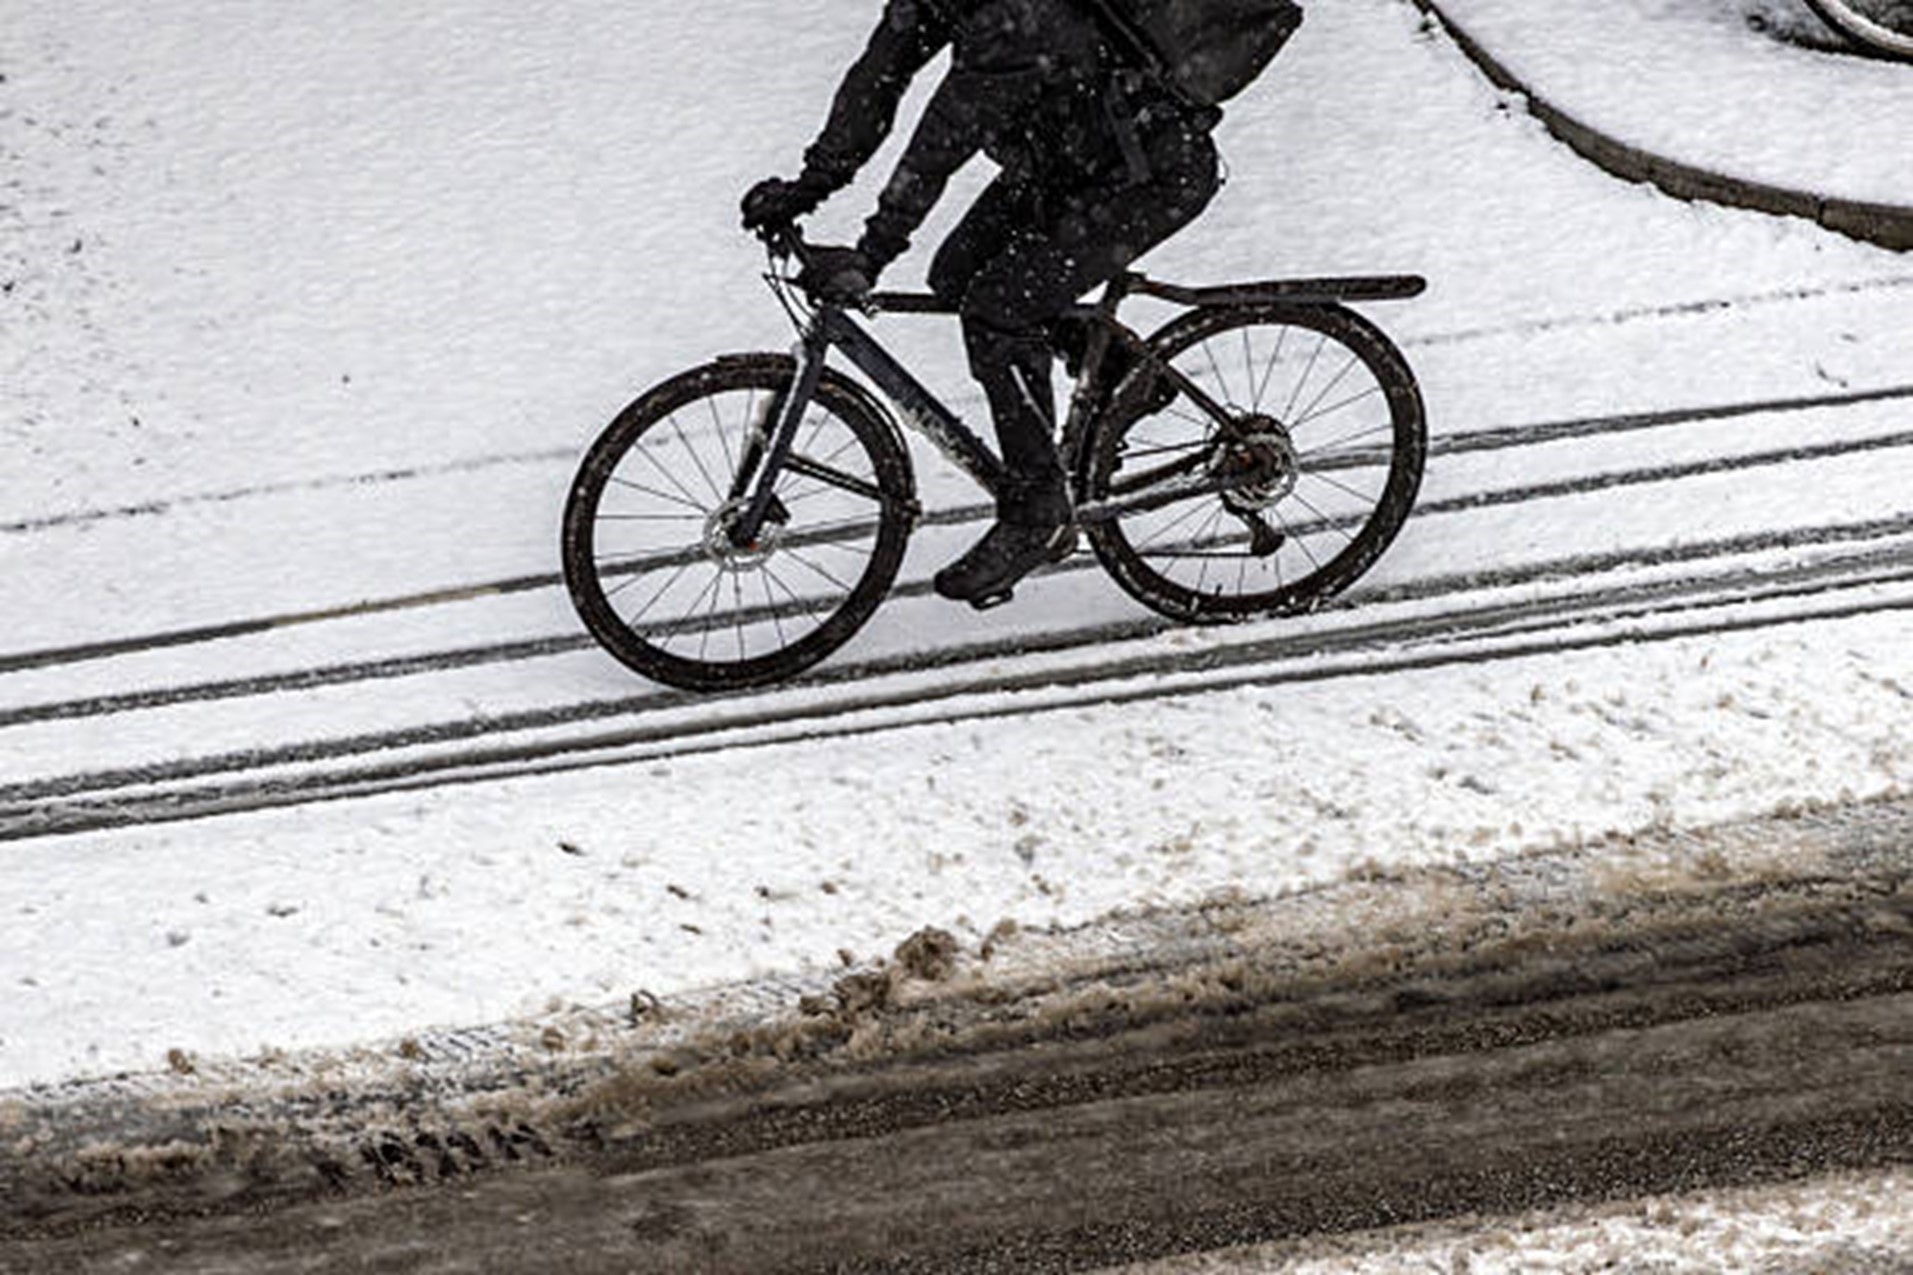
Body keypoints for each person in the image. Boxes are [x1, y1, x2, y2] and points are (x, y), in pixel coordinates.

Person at [741, 0, 1222, 606]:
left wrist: (873, 252)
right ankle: (1125, 377)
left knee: (999, 308)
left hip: (1145, 177)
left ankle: (1036, 507)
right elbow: (874, 85)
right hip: (1066, 168)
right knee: (957, 275)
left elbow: (943, 139)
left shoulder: (1015, 18)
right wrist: (809, 186)